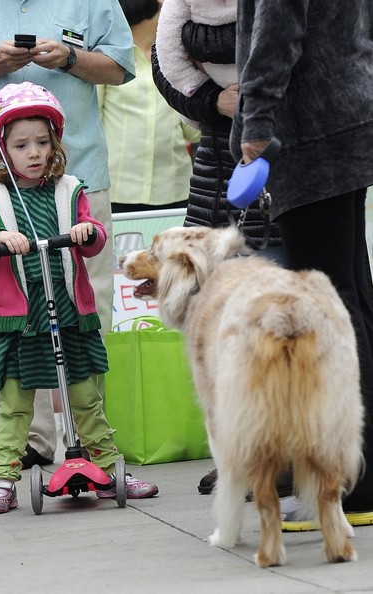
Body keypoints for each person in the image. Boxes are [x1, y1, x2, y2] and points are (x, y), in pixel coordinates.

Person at [0, 0, 135, 469]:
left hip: (79, 175)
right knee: (19, 308)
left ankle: (95, 437)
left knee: (89, 306)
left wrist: (68, 58)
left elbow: (122, 67)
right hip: (0, 187)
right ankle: (32, 439)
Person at [0, 82, 159, 514]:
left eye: (41, 142)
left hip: (68, 312)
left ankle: (108, 469)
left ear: (55, 143)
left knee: (86, 396)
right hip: (19, 319)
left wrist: (88, 233)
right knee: (15, 404)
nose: (33, 153)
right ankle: (3, 479)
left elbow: (93, 237)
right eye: (21, 145)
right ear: (2, 151)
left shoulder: (70, 188)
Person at [230, 0, 373, 528]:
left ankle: (345, 488)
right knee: (352, 295)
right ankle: (361, 484)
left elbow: (276, 33)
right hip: (348, 115)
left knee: (330, 311)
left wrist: (256, 123)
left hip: (306, 132)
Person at [152, 0, 287, 496]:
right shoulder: (178, 8)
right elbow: (166, 68)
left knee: (273, 321)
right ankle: (235, 453)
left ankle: (280, 456)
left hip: (276, 151)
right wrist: (214, 101)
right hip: (216, 164)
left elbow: (280, 44)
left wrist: (253, 100)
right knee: (217, 324)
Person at [98, 0, 199, 213]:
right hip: (119, 190)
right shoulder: (108, 59)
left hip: (174, 189)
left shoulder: (177, 57)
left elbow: (193, 131)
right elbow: (91, 121)